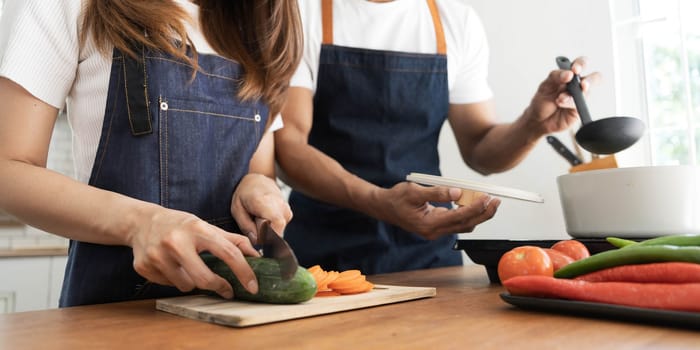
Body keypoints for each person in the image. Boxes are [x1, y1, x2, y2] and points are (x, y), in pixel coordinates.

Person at [0, 0, 301, 306]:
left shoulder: (255, 24)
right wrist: (140, 222)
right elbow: (8, 168)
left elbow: (258, 169)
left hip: (237, 317)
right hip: (114, 317)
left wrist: (258, 186)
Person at [275, 0, 598, 274]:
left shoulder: (454, 20)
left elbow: (481, 151)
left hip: (428, 249)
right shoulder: (299, 12)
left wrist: (533, 125)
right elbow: (289, 146)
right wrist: (380, 201)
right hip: (324, 246)